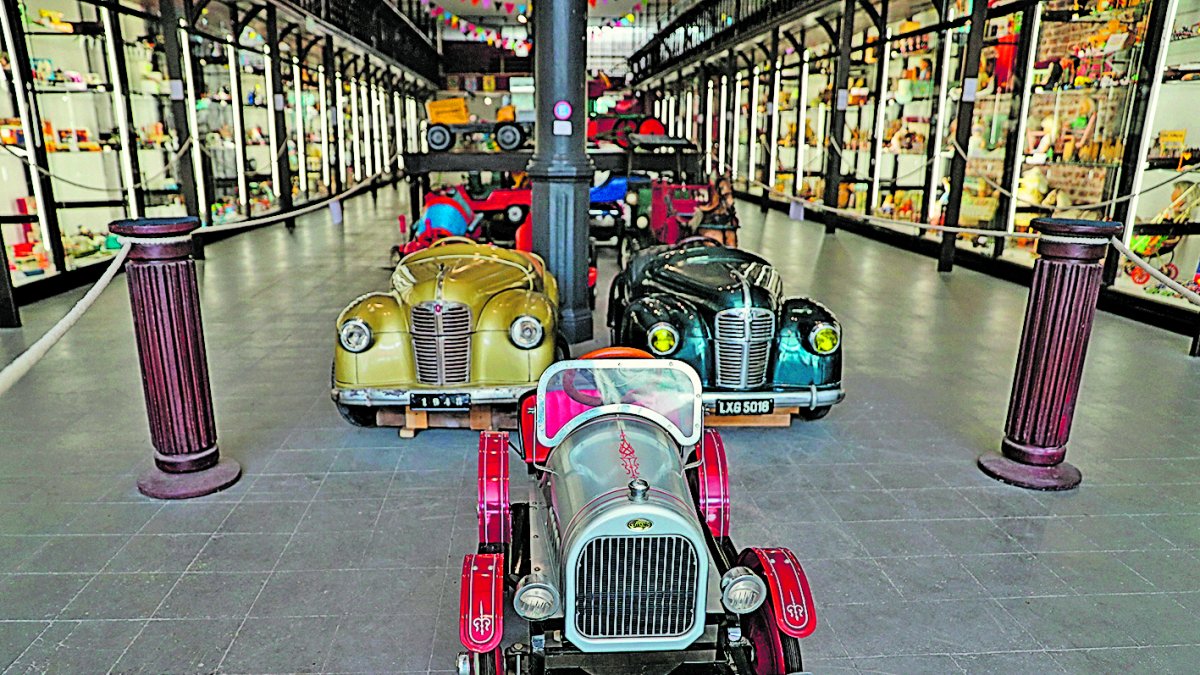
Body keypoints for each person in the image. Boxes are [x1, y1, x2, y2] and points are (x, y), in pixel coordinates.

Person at [690, 174, 739, 247]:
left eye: (730, 194)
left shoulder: (730, 218)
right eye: (726, 195)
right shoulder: (701, 213)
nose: (731, 201)